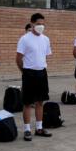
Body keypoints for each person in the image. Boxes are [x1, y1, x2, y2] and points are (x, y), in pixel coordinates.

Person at [16, 13, 53, 141]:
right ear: (32, 24)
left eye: (43, 24)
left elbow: (45, 55)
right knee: (27, 103)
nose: (41, 26)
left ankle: (39, 128)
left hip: (42, 73)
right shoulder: (25, 39)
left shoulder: (46, 39)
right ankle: (27, 130)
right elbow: (18, 59)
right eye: (38, 24)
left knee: (40, 102)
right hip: (29, 73)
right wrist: (24, 71)